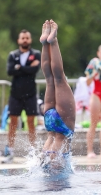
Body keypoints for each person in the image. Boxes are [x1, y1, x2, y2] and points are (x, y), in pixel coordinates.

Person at [2, 29, 41, 163]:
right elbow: (10, 71)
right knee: (12, 122)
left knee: (31, 123)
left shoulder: (36, 54)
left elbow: (35, 70)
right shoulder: (13, 55)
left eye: (27, 38)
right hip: (15, 94)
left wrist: (20, 68)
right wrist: (27, 67)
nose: (25, 40)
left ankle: (32, 151)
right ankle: (10, 151)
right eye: (22, 38)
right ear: (19, 40)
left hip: (30, 94)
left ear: (30, 40)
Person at [39, 19, 75, 160]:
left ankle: (51, 42)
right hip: (49, 119)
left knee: (58, 79)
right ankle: (45, 43)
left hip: (60, 124)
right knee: (50, 79)